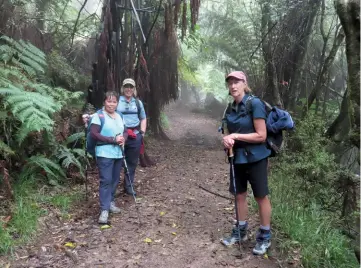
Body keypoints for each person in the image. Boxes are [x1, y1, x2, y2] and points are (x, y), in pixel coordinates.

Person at [220, 71, 272, 255]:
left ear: (244, 83)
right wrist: (226, 139)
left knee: (260, 196)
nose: (233, 86)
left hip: (256, 157)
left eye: (237, 82)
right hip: (237, 157)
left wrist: (235, 136)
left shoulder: (254, 103)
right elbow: (226, 131)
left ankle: (265, 236)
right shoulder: (229, 108)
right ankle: (240, 231)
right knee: (239, 195)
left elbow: (261, 135)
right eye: (230, 83)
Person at [88, 91, 127, 224]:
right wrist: (112, 140)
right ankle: (104, 210)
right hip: (104, 152)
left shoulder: (120, 115)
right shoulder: (99, 116)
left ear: (117, 103)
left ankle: (110, 202)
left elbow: (125, 131)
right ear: (104, 102)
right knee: (106, 180)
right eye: (109, 101)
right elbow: (94, 134)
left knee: (115, 179)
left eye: (114, 101)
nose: (111, 104)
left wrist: (123, 139)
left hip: (118, 153)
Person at [117, 78, 147, 196]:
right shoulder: (116, 101)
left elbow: (143, 118)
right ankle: (113, 187)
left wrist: (142, 133)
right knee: (117, 162)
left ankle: (128, 186)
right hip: (120, 135)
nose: (128, 89)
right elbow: (105, 111)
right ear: (122, 88)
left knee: (132, 162)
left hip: (135, 136)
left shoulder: (138, 103)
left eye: (131, 87)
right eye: (126, 86)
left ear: (134, 89)